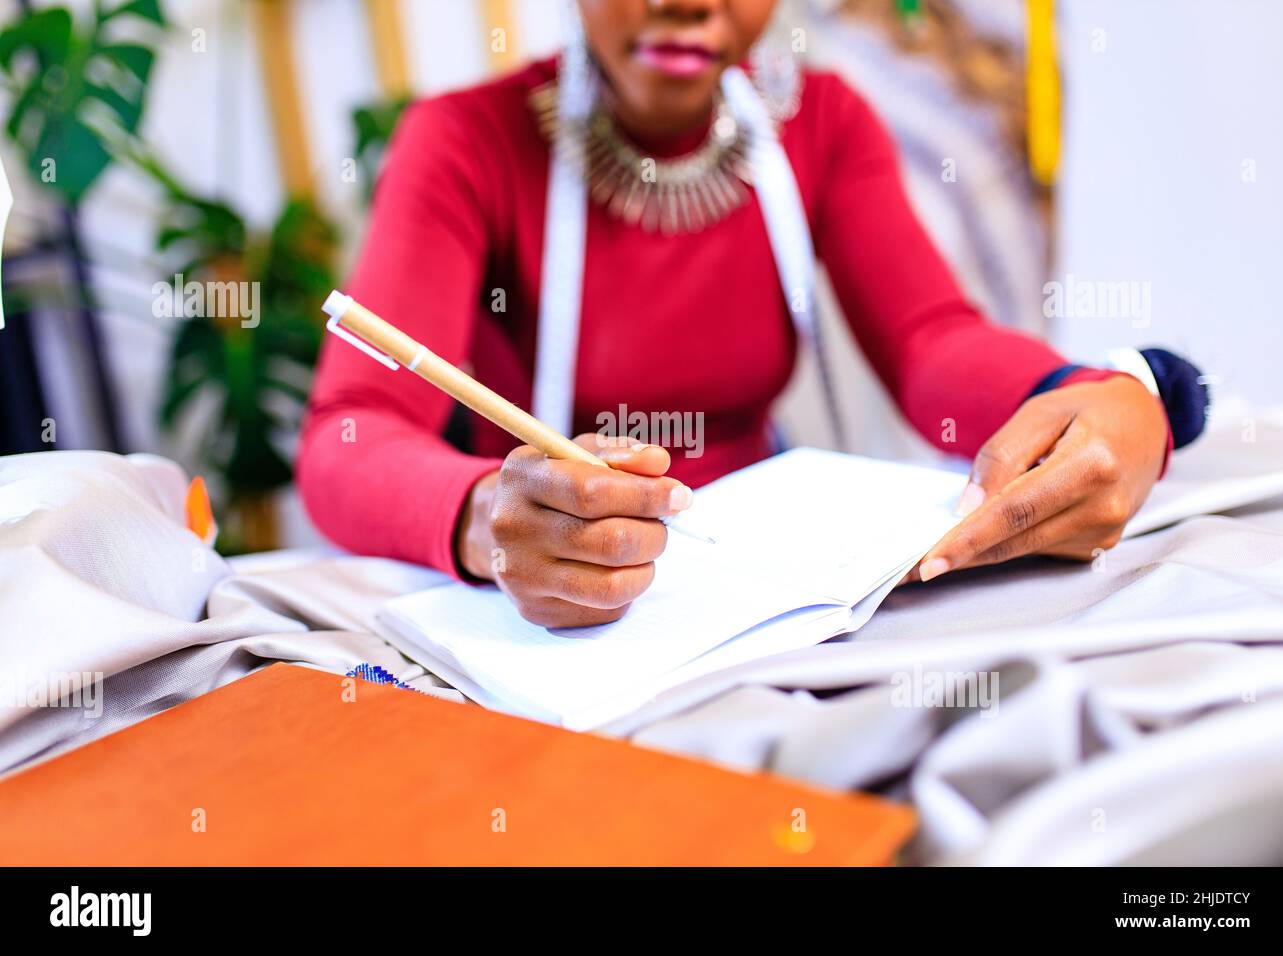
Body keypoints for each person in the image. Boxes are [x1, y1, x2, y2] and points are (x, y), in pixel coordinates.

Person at [297, 0, 1170, 629]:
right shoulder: (463, 143)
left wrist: (1095, 395)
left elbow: (929, 341)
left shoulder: (824, 123)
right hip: (553, 615)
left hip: (765, 594)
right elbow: (353, 432)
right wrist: (489, 519)